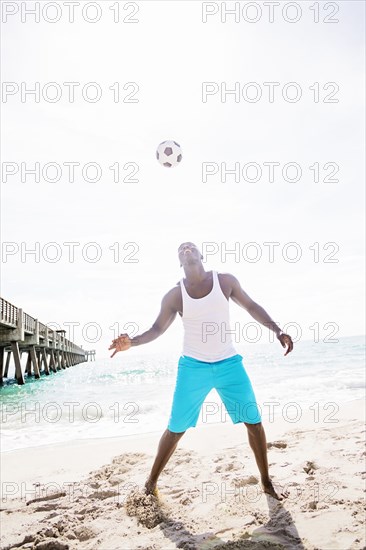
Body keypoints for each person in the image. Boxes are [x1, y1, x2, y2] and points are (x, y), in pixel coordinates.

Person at [109, 242, 293, 500]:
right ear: (179, 261)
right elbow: (157, 329)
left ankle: (266, 482)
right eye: (181, 248)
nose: (186, 248)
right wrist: (133, 342)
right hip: (193, 367)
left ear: (201, 255)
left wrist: (277, 330)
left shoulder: (225, 281)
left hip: (229, 364)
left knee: (254, 422)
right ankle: (150, 485)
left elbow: (251, 306)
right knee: (175, 429)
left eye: (191, 246)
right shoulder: (175, 295)